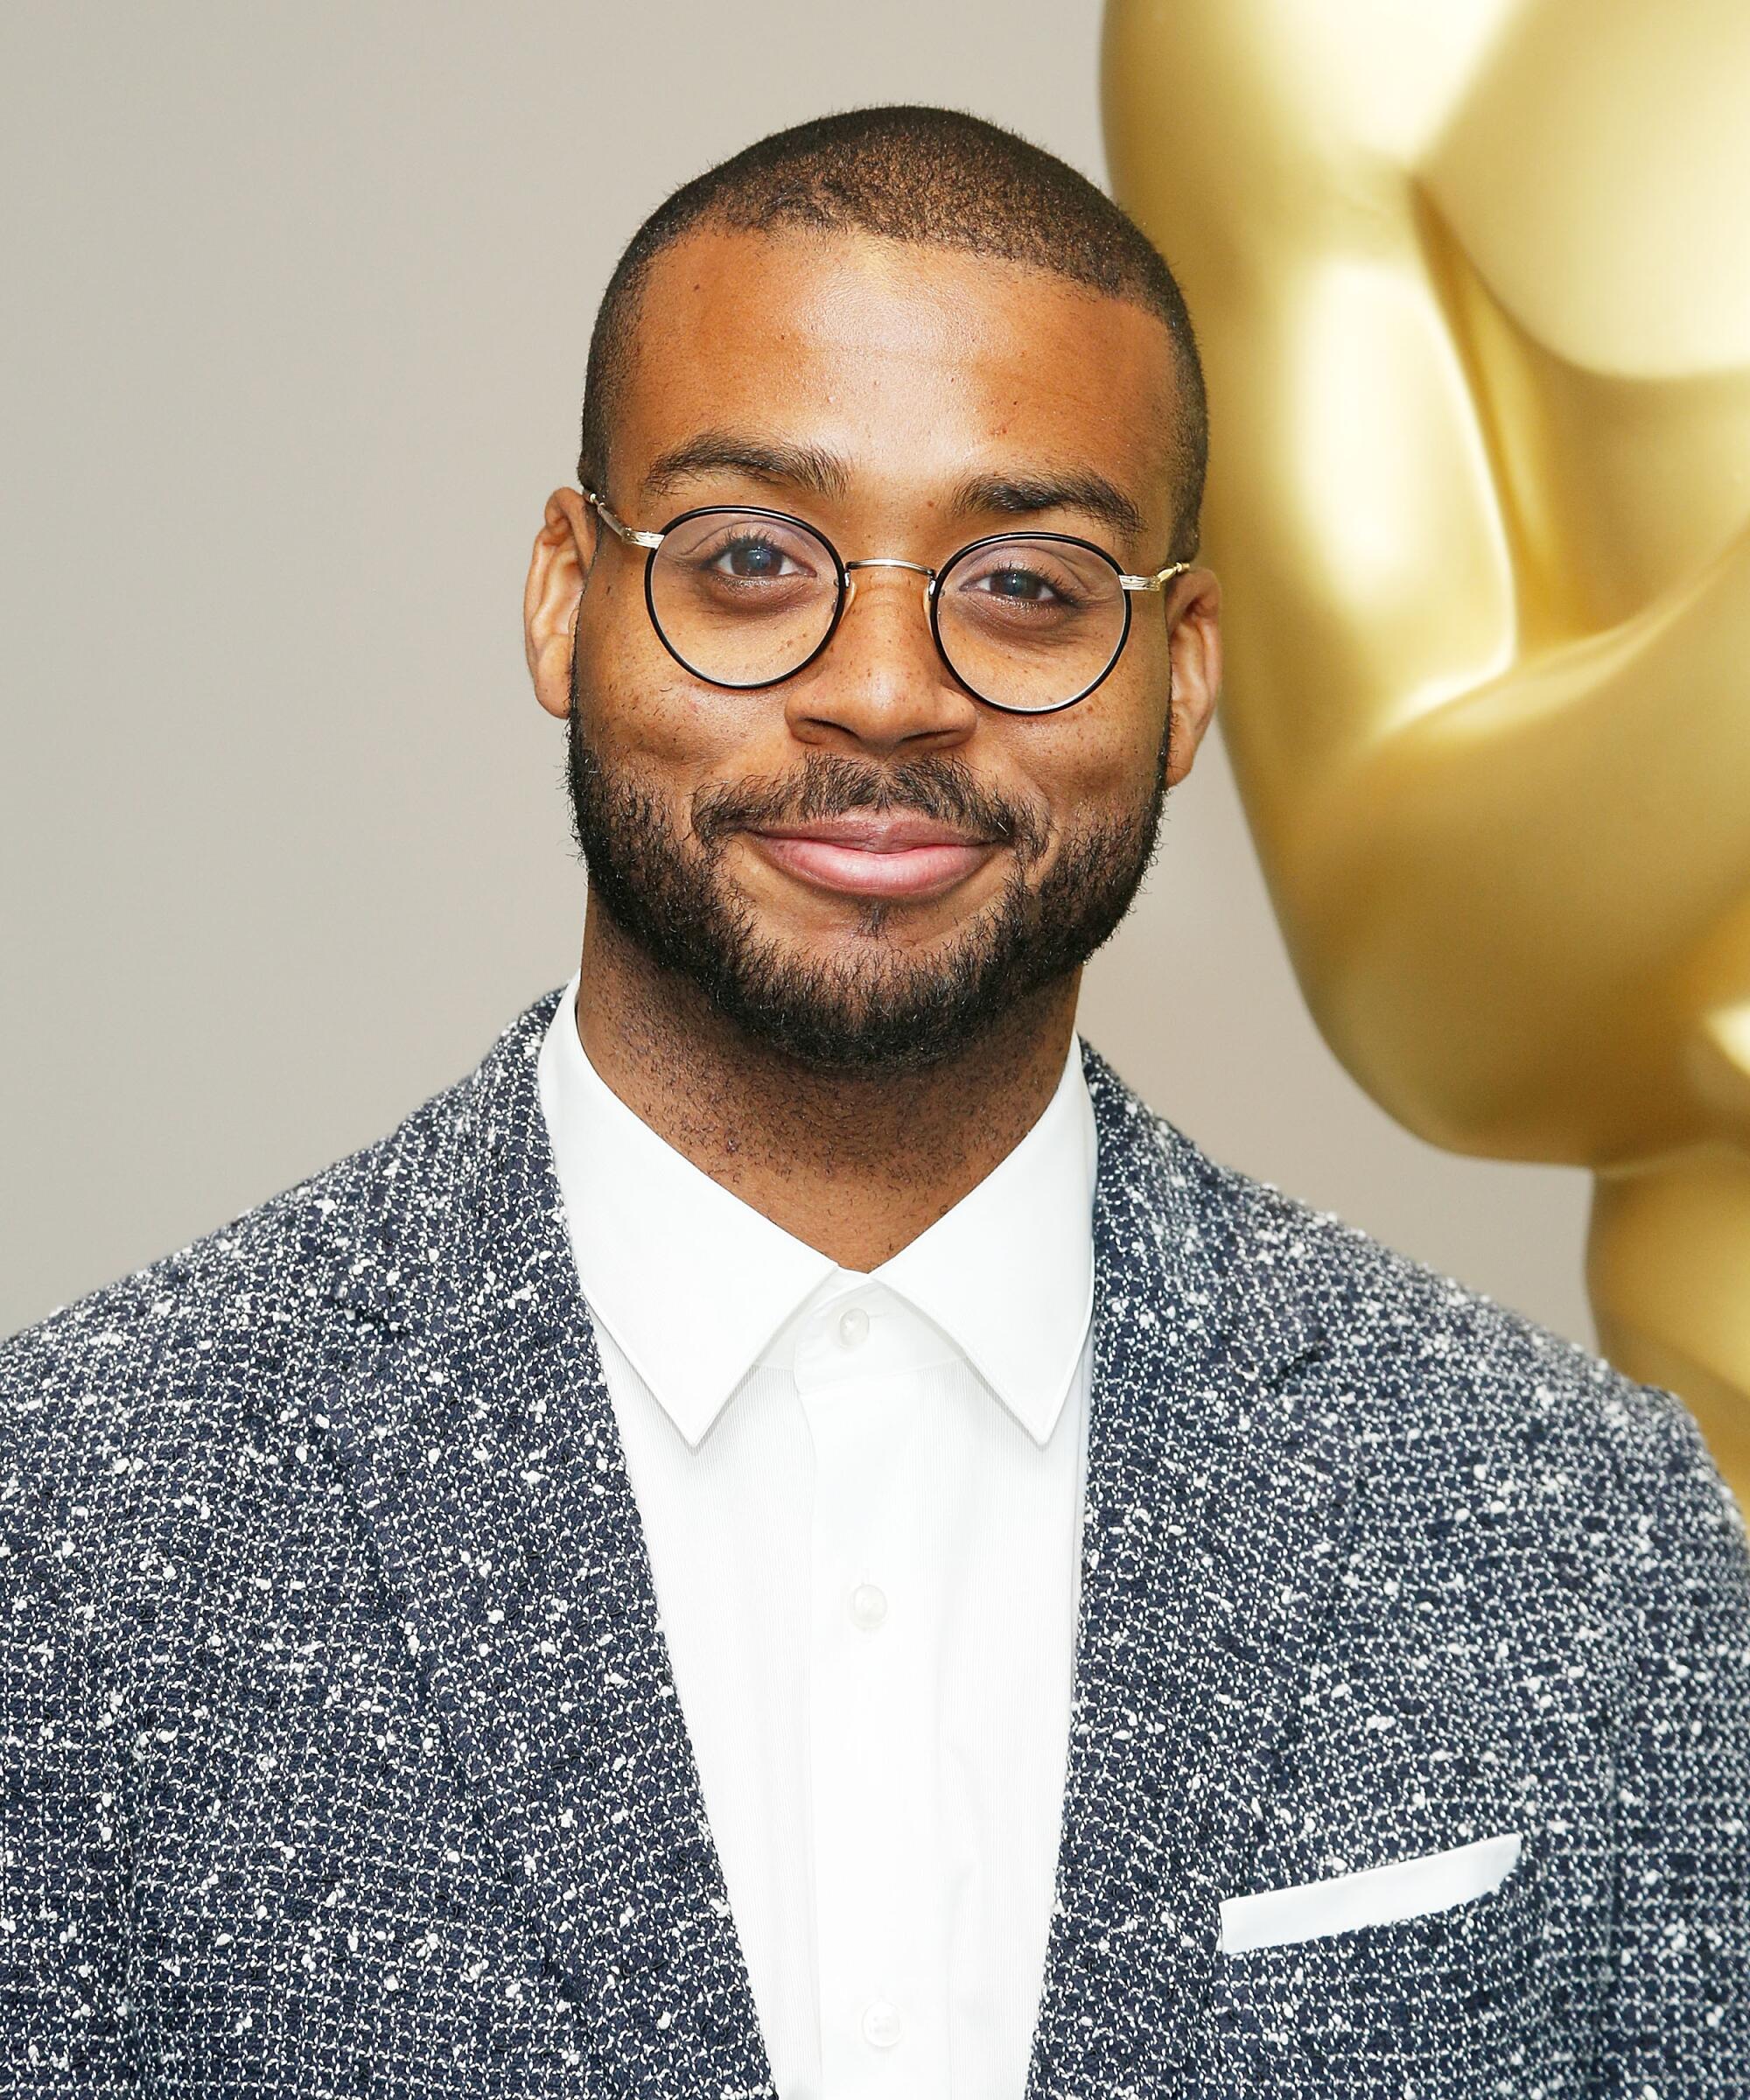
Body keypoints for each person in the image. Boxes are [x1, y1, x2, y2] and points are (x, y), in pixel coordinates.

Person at [0, 103, 1744, 2100]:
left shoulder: (1577, 1529)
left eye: (1022, 585)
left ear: (1179, 676)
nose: (891, 692)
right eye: (750, 561)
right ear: (567, 596)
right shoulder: (70, 1537)